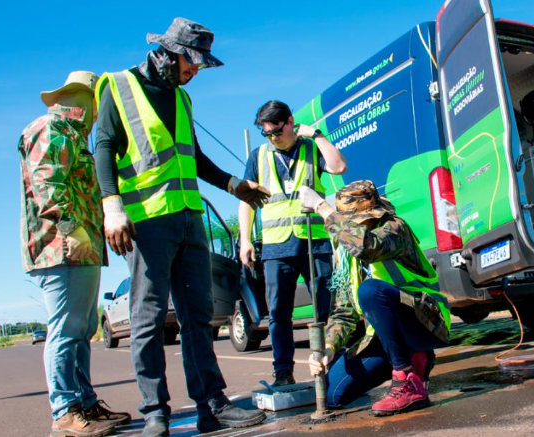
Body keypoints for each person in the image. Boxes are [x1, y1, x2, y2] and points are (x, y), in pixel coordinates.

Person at [94, 18, 269, 437]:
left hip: (191, 220)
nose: (195, 73)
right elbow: (102, 145)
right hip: (147, 223)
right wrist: (111, 207)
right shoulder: (118, 86)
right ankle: (156, 412)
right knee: (148, 319)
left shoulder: (182, 100)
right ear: (169, 54)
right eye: (192, 64)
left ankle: (212, 406)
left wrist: (233, 185)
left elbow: (195, 158)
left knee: (199, 317)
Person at [19, 71, 131, 437]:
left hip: (83, 248)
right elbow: (45, 183)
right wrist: (72, 228)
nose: (99, 112)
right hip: (61, 248)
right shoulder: (48, 128)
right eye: (96, 102)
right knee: (66, 330)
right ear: (81, 99)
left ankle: (84, 404)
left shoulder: (75, 137)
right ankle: (65, 412)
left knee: (82, 330)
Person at [300, 180, 451, 416]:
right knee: (332, 395)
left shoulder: (395, 228)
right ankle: (407, 360)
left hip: (425, 322)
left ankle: (406, 379)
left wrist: (322, 207)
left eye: (356, 222)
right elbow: (344, 312)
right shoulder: (346, 254)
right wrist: (328, 348)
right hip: (382, 337)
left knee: (370, 290)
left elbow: (367, 247)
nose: (352, 227)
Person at [238, 100, 347, 386]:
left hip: (316, 244)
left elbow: (338, 166)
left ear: (290, 122)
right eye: (267, 133)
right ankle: (283, 372)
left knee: (327, 308)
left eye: (277, 131)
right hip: (276, 247)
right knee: (278, 314)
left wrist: (318, 135)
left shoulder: (312, 148)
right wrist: (245, 239)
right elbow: (247, 202)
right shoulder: (258, 156)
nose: (273, 137)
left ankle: (333, 366)